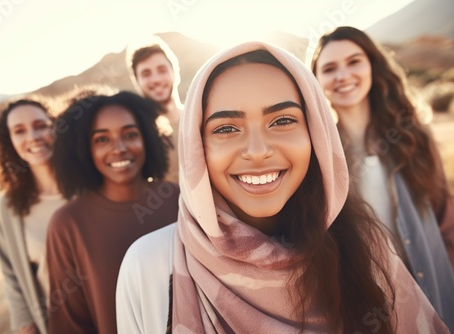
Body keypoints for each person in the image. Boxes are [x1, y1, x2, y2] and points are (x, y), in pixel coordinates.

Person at [116, 42, 449, 333]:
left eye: (282, 121)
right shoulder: (151, 266)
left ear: (316, 134)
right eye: (227, 128)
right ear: (197, 147)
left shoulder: (368, 247)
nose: (258, 150)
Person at [311, 26, 454, 330]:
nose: (342, 75)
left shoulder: (414, 139)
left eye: (353, 62)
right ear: (316, 80)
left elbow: (447, 224)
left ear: (372, 65)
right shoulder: (318, 158)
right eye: (329, 68)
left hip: (435, 295)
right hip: (369, 308)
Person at [46, 91, 179, 333]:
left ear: (147, 139)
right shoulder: (68, 224)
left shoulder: (177, 199)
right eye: (102, 139)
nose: (118, 148)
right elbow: (71, 323)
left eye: (130, 135)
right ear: (84, 149)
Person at [0, 98, 66, 334]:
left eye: (41, 125)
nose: (32, 136)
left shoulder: (89, 188)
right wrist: (25, 323)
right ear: (10, 141)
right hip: (55, 325)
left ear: (55, 127)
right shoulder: (9, 206)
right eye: (19, 131)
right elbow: (10, 272)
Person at [126, 36, 183, 182]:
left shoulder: (202, 118)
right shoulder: (137, 136)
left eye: (162, 70)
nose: (156, 79)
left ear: (175, 72)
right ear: (137, 82)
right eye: (146, 74)